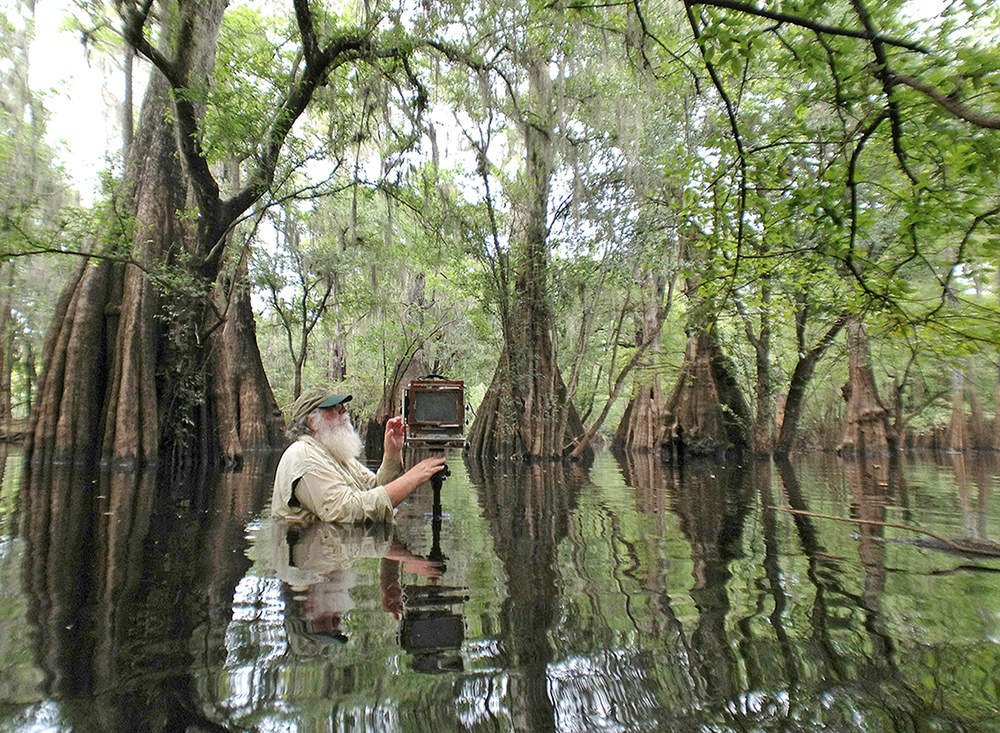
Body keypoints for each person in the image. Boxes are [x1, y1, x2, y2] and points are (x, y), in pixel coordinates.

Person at [271, 387, 447, 524]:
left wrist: (392, 455)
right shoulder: (304, 456)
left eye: (343, 406)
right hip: (314, 560)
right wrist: (413, 477)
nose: (344, 411)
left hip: (333, 556)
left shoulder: (333, 454)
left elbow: (372, 490)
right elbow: (345, 512)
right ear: (311, 422)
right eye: (335, 408)